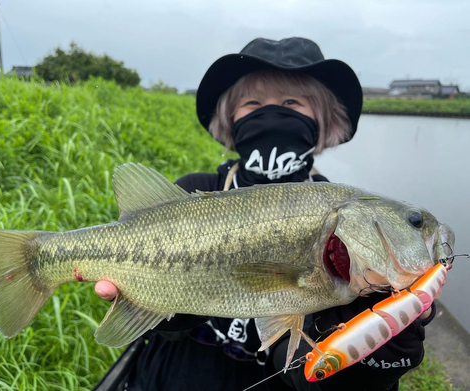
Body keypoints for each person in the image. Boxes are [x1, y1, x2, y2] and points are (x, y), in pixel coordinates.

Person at [92, 37, 435, 391]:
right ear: (230, 118)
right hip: (177, 372)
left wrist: (364, 365)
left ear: (323, 119)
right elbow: (161, 320)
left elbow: (300, 369)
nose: (271, 114)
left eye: (291, 102)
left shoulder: (344, 234)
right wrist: (166, 311)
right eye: (252, 102)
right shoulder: (194, 190)